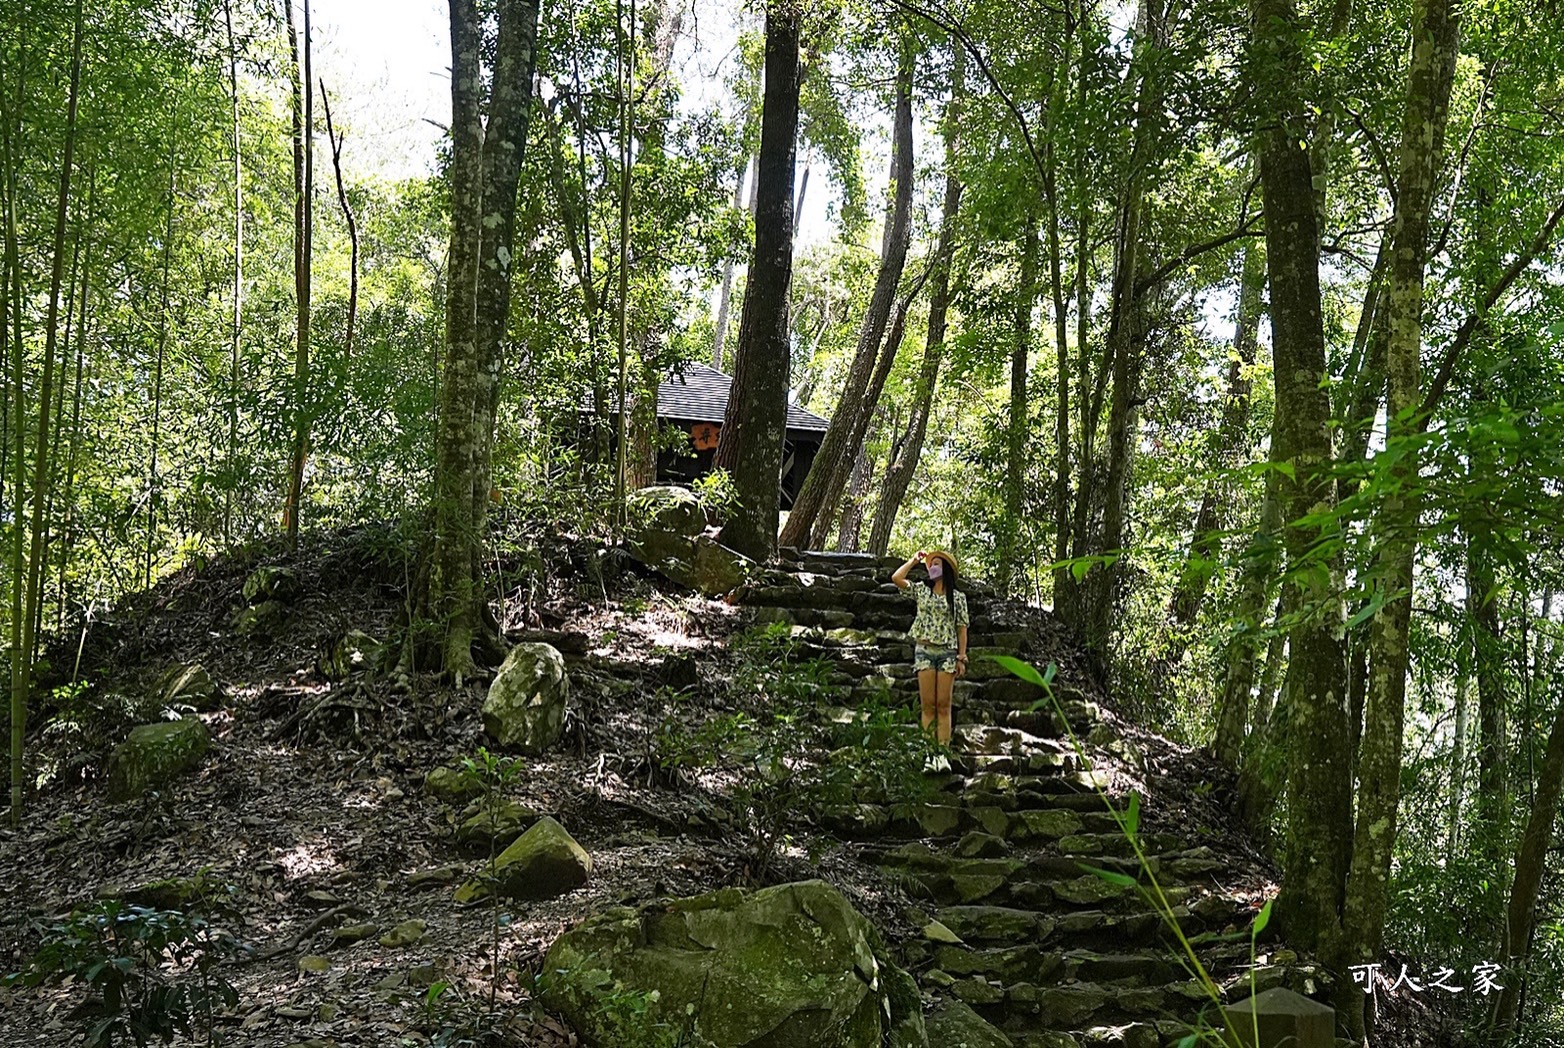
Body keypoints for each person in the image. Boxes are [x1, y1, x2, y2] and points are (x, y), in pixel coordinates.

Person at [891, 548, 969, 767]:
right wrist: (914, 560)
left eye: (937, 563)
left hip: (947, 653)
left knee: (944, 705)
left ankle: (942, 755)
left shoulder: (958, 598)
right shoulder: (922, 591)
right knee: (928, 706)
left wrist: (961, 657)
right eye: (931, 564)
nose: (933, 567)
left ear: (946, 569)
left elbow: (962, 628)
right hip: (924, 651)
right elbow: (896, 578)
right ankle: (929, 755)